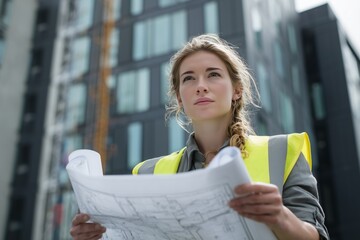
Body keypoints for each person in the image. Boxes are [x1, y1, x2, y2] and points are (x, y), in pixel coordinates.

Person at [70, 34, 329, 240]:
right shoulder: (147, 173)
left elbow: (314, 235)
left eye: (213, 74)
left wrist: (279, 217)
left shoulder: (283, 152)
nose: (200, 85)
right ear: (180, 98)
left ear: (237, 90)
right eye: (189, 78)